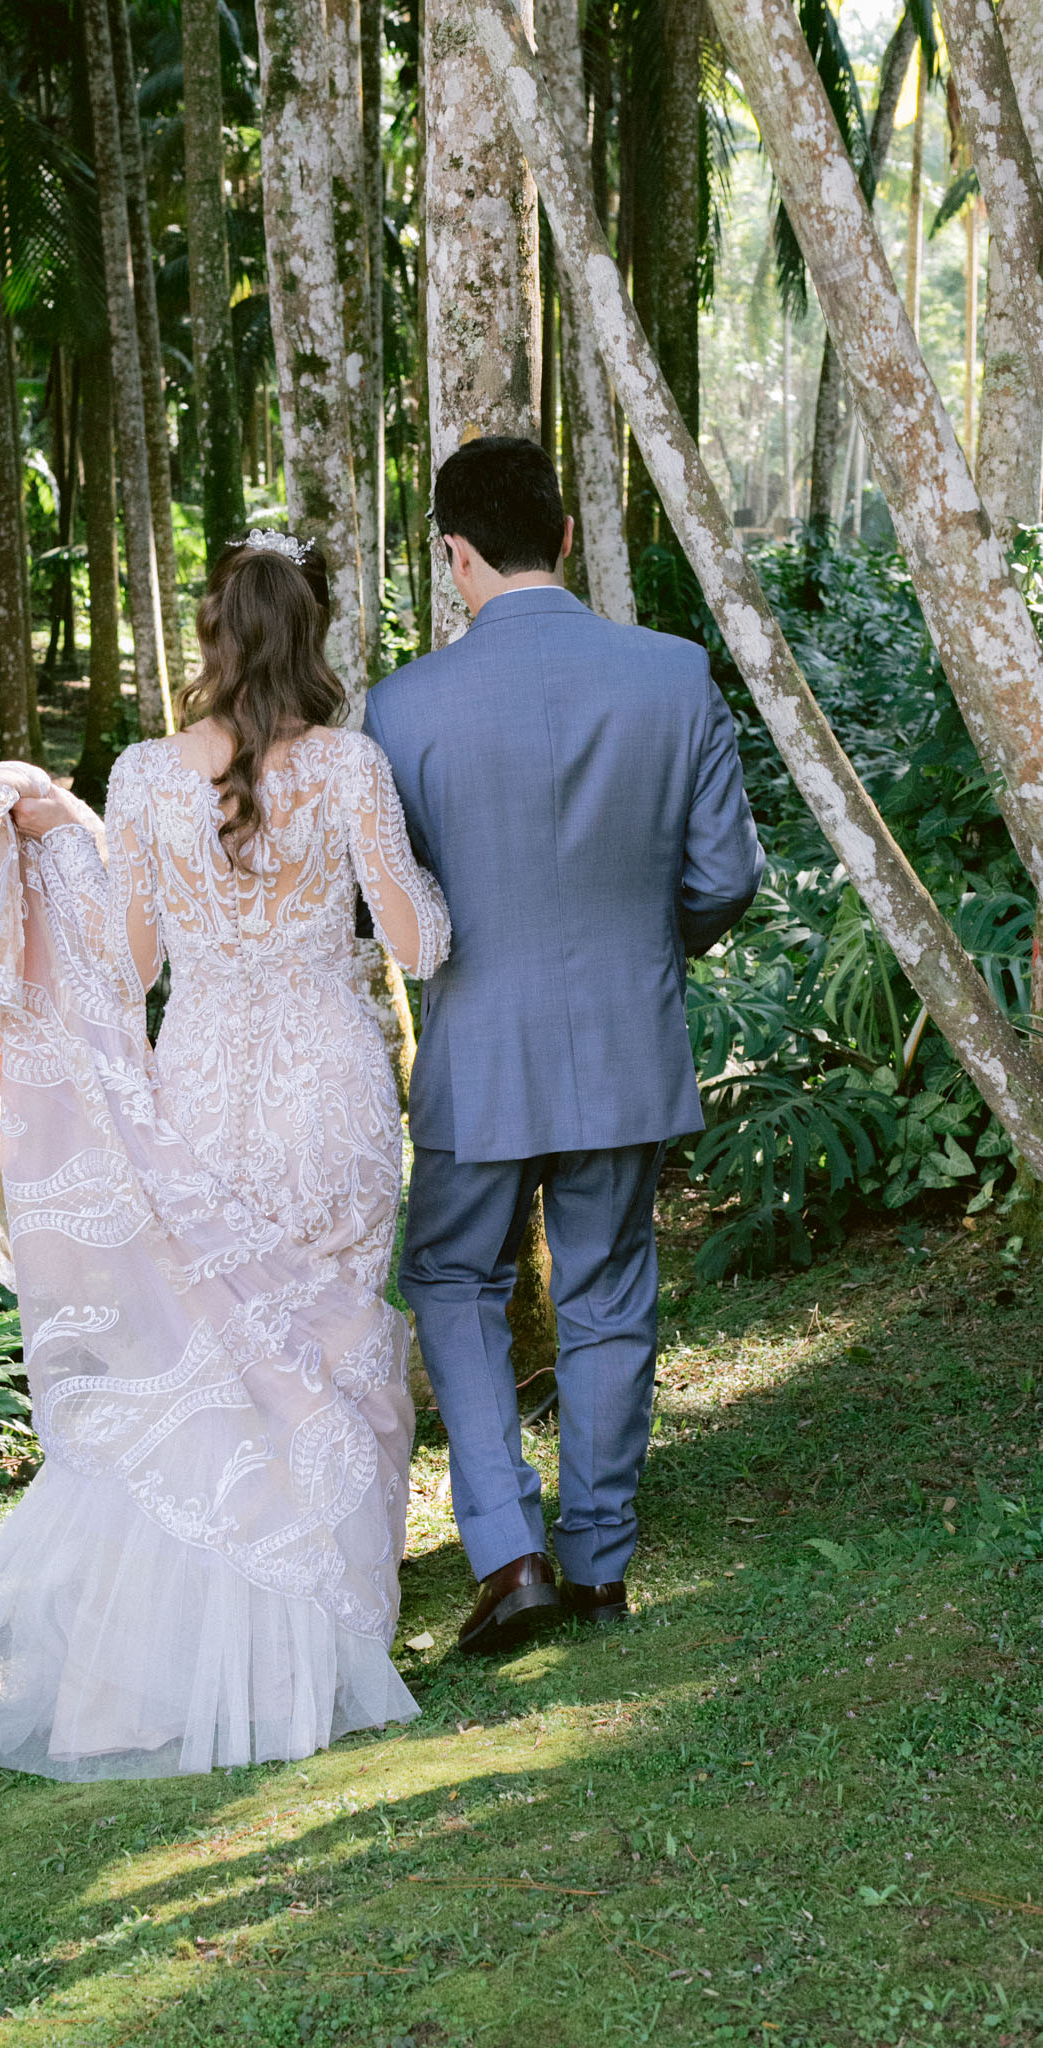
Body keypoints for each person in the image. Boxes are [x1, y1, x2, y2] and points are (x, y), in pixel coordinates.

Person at [0, 531, 450, 1778]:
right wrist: (435, 893)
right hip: (330, 1096)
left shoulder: (145, 777)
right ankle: (324, 1625)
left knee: (221, 1356)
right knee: (323, 1342)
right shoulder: (353, 768)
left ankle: (194, 1654)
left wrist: (65, 842)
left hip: (207, 1092)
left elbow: (128, 969)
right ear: (314, 632)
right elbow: (418, 944)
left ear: (215, 636)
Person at [363, 436, 763, 1655]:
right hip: (624, 1045)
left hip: (478, 1053)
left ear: (453, 555)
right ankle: (596, 1560)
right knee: (607, 1297)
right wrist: (645, 949)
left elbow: (392, 902)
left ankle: (510, 1549)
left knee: (449, 1279)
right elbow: (726, 874)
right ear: (570, 539)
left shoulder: (403, 705)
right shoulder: (672, 673)